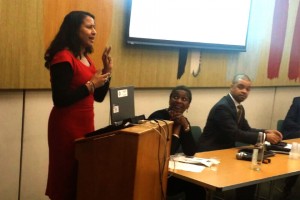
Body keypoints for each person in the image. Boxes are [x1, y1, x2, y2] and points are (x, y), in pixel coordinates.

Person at [44, 11, 112, 200]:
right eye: (89, 27)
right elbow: (60, 99)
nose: (94, 32)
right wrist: (91, 84)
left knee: (80, 176)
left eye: (95, 27)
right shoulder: (63, 57)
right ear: (74, 29)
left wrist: (107, 72)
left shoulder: (87, 59)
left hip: (85, 125)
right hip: (65, 126)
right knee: (65, 176)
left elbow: (98, 97)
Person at [198, 74, 283, 200]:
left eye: (248, 89)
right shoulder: (223, 107)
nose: (244, 91)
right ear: (231, 86)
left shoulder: (238, 107)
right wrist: (265, 137)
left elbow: (246, 129)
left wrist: (266, 131)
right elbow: (235, 134)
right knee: (249, 172)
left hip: (226, 152)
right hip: (211, 153)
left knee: (252, 172)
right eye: (241, 87)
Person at [148, 85, 206, 200]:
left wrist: (186, 126)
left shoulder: (182, 120)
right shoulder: (157, 118)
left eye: (184, 99)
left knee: (198, 188)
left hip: (171, 172)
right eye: (175, 97)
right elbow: (167, 152)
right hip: (153, 173)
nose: (179, 101)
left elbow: (190, 151)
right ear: (170, 100)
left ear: (188, 105)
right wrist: (177, 128)